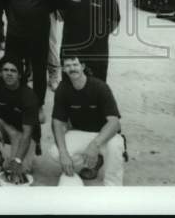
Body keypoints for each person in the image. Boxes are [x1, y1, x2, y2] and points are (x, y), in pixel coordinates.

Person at [0, 0, 60, 115]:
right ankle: (12, 100)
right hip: (15, 32)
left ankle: (38, 103)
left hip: (39, 33)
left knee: (39, 69)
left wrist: (36, 15)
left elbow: (53, 4)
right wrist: (13, 17)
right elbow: (3, 0)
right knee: (12, 67)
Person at [50, 55, 126, 186]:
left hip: (104, 135)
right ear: (63, 69)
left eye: (75, 64)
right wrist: (63, 153)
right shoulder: (62, 89)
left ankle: (113, 188)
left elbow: (114, 123)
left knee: (116, 146)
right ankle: (83, 167)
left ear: (82, 66)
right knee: (55, 152)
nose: (72, 68)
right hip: (80, 133)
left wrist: (94, 145)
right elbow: (57, 122)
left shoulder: (100, 87)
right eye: (68, 66)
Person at [0, 56, 39, 183]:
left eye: (13, 70)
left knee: (20, 171)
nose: (9, 73)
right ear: (0, 72)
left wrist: (18, 160)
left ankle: (19, 159)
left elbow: (27, 134)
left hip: (24, 135)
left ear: (20, 75)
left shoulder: (28, 95)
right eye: (5, 70)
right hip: (3, 126)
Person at [58, 0, 121, 82]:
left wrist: (101, 34)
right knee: (69, 81)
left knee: (96, 83)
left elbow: (115, 20)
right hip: (71, 44)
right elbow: (59, 11)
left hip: (96, 48)